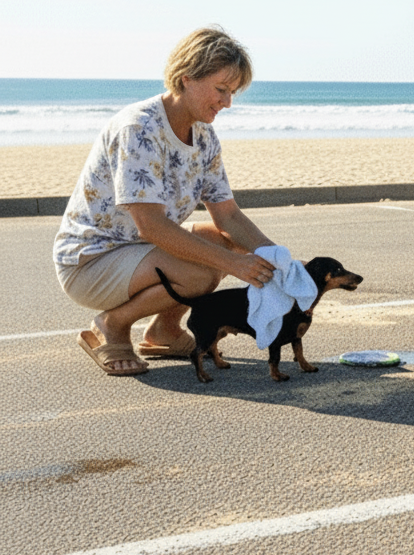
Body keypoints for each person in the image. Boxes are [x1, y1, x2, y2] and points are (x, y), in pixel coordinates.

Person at [54, 26, 283, 376]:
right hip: (91, 261)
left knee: (225, 243)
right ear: (186, 77)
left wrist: (278, 260)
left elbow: (229, 217)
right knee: (200, 273)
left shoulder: (204, 135)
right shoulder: (139, 129)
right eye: (221, 89)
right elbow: (151, 225)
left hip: (138, 249)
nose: (228, 102)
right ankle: (112, 325)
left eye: (233, 92)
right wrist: (233, 266)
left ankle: (164, 331)